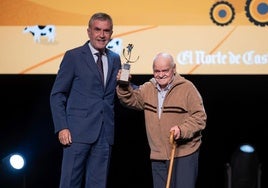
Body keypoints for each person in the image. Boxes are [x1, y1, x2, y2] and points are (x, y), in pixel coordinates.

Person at [50, 12, 121, 188]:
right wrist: (62, 127)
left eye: (106, 31)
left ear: (111, 34)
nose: (102, 35)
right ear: (89, 31)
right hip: (76, 133)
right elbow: (57, 94)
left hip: (104, 134)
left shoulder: (115, 58)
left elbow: (118, 91)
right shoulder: (73, 57)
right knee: (69, 183)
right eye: (97, 30)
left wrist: (146, 88)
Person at [116, 52, 207, 188]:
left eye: (165, 70)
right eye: (157, 71)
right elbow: (131, 100)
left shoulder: (187, 88)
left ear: (174, 69)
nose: (161, 74)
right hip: (158, 154)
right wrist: (124, 86)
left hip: (183, 153)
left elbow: (200, 117)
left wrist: (182, 130)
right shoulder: (149, 88)